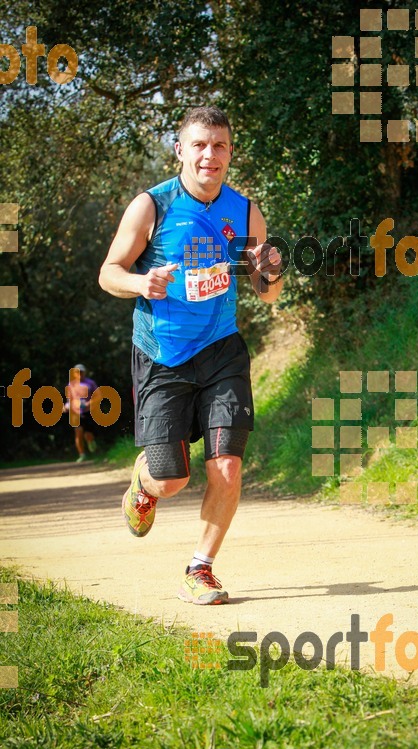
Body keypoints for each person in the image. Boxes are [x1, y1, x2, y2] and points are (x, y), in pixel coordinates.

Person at [98, 106, 283, 605]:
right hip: (163, 355)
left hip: (222, 349)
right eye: (199, 145)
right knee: (172, 479)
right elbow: (109, 272)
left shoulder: (244, 211)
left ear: (229, 152)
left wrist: (270, 268)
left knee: (226, 467)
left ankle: (200, 568)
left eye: (219, 145)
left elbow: (266, 291)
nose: (210, 155)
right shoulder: (151, 206)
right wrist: (141, 281)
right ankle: (143, 480)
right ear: (180, 150)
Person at [64, 364, 98, 463]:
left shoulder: (90, 383)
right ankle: (82, 454)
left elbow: (97, 395)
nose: (80, 374)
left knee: (88, 434)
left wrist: (89, 403)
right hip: (76, 412)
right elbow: (69, 399)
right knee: (78, 432)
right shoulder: (71, 385)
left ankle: (91, 443)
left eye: (82, 372)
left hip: (87, 412)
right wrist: (68, 406)